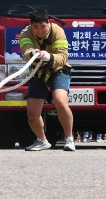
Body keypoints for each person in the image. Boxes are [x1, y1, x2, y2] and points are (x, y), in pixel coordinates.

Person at [19, 9, 75, 152]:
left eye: (43, 27)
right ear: (31, 25)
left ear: (48, 24)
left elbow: (63, 56)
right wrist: (33, 53)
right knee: (32, 112)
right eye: (36, 27)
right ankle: (42, 140)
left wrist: (49, 57)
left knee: (60, 100)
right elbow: (26, 52)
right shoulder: (25, 33)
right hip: (38, 73)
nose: (39, 31)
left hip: (58, 70)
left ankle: (69, 138)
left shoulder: (57, 31)